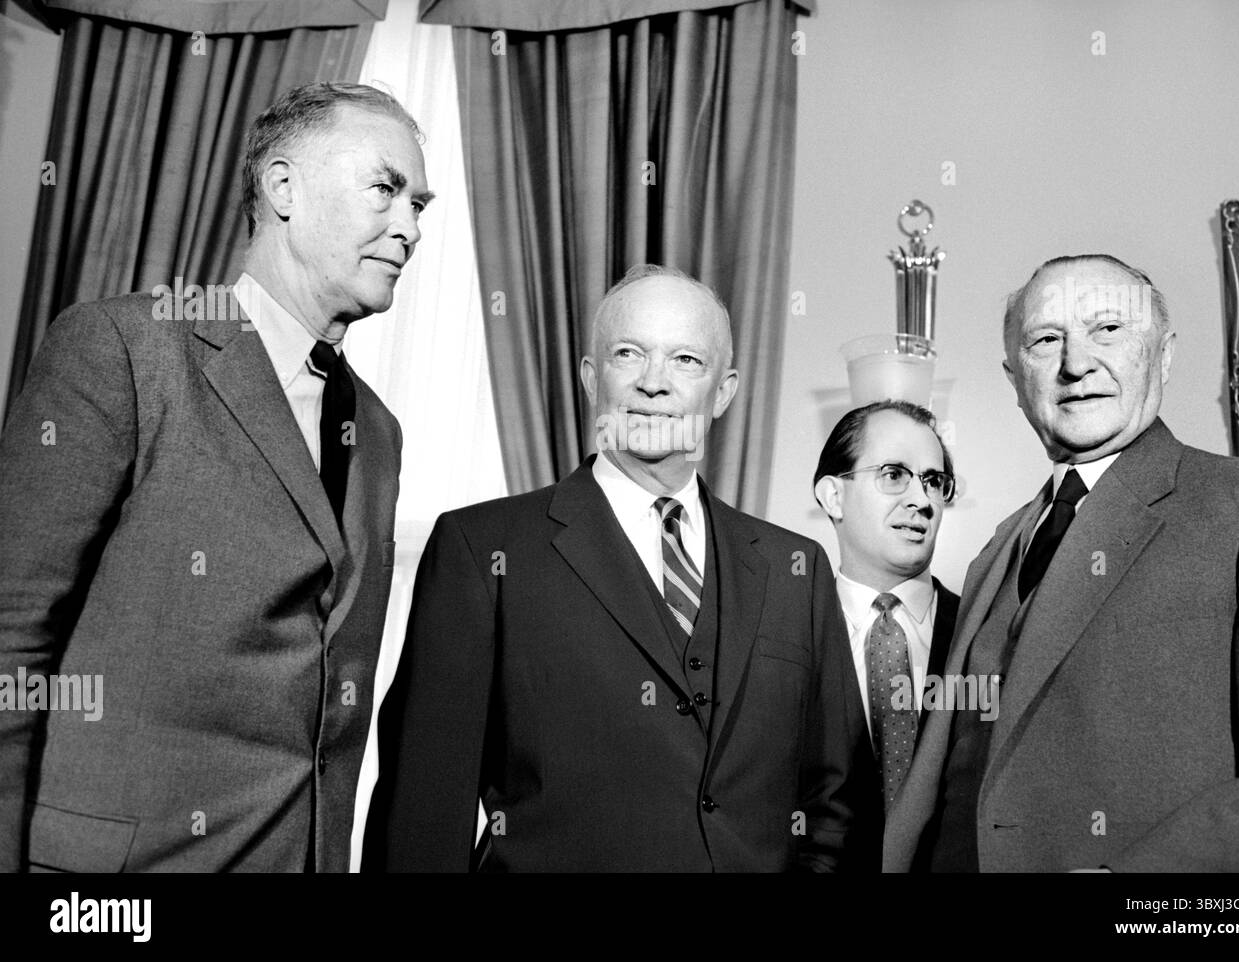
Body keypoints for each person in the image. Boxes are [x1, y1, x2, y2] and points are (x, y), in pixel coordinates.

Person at [0, 81, 431, 872]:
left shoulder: (380, 430)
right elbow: (8, 636)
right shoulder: (122, 350)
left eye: (420, 207)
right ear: (282, 188)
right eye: (386, 189)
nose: (408, 228)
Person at [366, 264, 869, 872]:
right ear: (589, 376)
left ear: (725, 391)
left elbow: (838, 806)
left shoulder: (798, 568)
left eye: (687, 360)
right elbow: (424, 811)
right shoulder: (482, 550)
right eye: (629, 353)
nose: (654, 383)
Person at [884, 253, 1239, 872]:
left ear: (1162, 355)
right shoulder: (996, 548)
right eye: (1047, 340)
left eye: (1108, 329)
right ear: (1014, 379)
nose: (1077, 364)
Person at [812, 401, 960, 815]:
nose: (921, 499)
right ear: (833, 496)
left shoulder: (984, 633)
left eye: (933, 481)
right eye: (894, 475)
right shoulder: (786, 635)